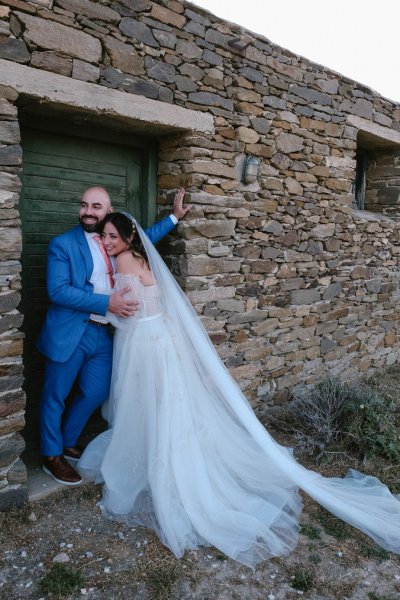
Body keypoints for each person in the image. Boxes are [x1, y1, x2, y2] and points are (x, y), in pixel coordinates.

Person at [78, 212, 400, 569]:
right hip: (161, 339)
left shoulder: (122, 260)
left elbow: (124, 309)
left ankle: (158, 468)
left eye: (111, 236)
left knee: (146, 403)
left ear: (126, 237)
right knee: (165, 404)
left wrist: (99, 313)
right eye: (103, 237)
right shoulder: (140, 254)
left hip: (143, 341)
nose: (106, 242)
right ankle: (164, 456)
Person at [37, 186, 191, 486]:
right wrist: (107, 302)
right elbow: (57, 291)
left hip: (104, 335)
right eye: (83, 205)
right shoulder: (62, 244)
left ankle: (68, 440)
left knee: (96, 392)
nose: (87, 211)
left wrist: (174, 217)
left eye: (96, 206)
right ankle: (51, 456)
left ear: (108, 212)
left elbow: (143, 236)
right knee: (54, 395)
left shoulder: (115, 243)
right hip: (71, 332)